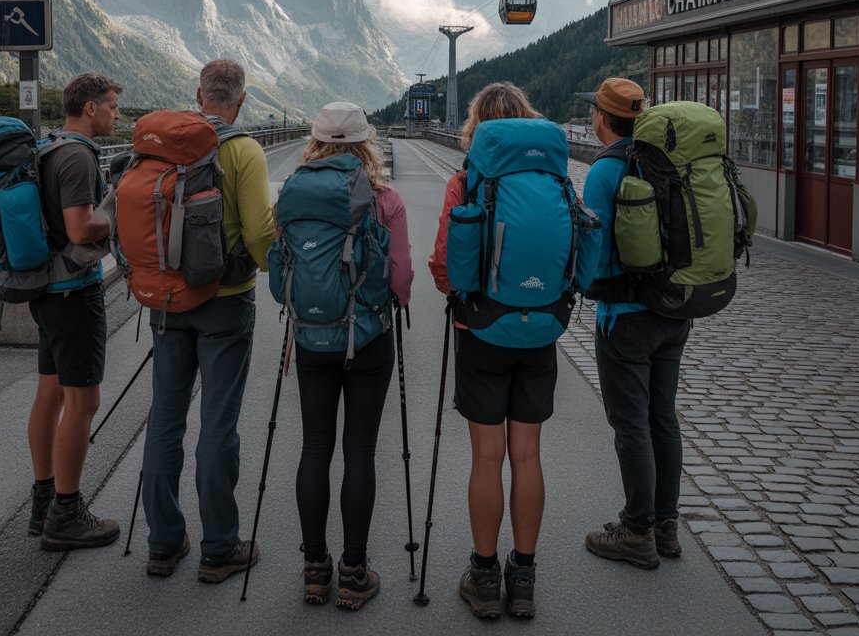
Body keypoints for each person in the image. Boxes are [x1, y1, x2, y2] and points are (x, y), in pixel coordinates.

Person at [428, 81, 579, 620]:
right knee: (528, 456)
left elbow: (445, 268)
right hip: (540, 332)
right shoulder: (555, 177)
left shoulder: (466, 181)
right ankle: (526, 578)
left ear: (478, 128)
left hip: (482, 333)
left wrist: (461, 292)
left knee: (487, 458)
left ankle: (485, 578)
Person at [142, 59, 276, 582]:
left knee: (165, 419)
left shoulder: (164, 146)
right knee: (217, 423)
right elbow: (260, 233)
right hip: (225, 301)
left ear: (199, 95)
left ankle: (163, 542)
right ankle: (219, 548)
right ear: (240, 101)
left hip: (168, 301)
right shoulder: (243, 150)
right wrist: (276, 271)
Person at [294, 102, 413, 610]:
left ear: (316, 143)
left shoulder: (295, 193)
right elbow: (402, 276)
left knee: (315, 446)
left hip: (311, 337)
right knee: (359, 450)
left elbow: (282, 266)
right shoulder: (385, 199)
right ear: (366, 143)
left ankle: (315, 570)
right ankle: (354, 571)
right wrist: (397, 303)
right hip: (367, 338)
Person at [578, 77, 689, 568]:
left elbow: (595, 250)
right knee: (662, 416)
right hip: (675, 311)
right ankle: (666, 525)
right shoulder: (663, 160)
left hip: (625, 317)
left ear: (601, 118)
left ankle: (637, 530)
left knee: (631, 424)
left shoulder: (604, 171)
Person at [29, 72, 124, 550]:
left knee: (50, 393)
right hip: (73, 292)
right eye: (111, 106)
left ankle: (43, 502)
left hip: (45, 288)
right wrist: (118, 210)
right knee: (83, 402)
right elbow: (81, 228)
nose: (117, 115)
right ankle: (66, 513)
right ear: (90, 108)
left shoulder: (49, 147)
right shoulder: (78, 155)